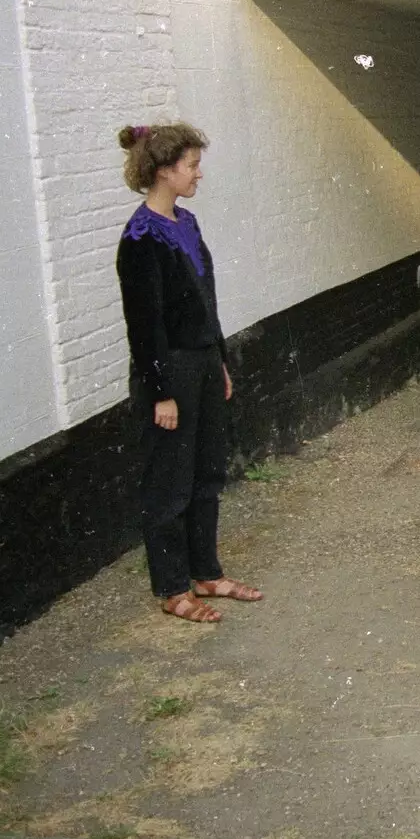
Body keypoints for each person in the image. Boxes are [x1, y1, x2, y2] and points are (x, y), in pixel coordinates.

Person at [115, 123, 262, 623]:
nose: (199, 173)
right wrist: (161, 393)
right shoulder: (140, 240)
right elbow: (145, 325)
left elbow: (206, 301)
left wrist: (218, 361)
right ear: (163, 171)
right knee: (169, 483)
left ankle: (206, 573)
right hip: (170, 373)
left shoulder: (188, 223)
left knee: (206, 473)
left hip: (201, 364)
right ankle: (172, 588)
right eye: (192, 165)